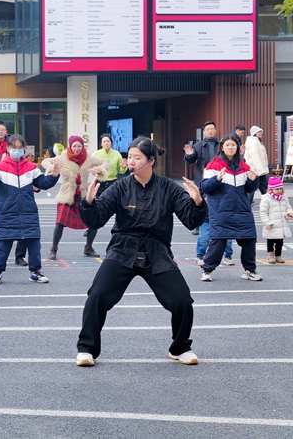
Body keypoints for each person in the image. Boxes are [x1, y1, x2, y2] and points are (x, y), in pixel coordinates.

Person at [76, 137, 207, 367]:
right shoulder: (120, 186)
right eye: (129, 157)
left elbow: (190, 219)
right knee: (97, 295)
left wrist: (197, 203)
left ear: (151, 161)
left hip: (156, 251)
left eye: (137, 157)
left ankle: (180, 347)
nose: (131, 161)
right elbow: (97, 217)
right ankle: (87, 349)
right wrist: (89, 202)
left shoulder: (167, 187)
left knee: (182, 300)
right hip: (122, 248)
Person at [0, 135, 60, 285]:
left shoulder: (31, 168)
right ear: (8, 149)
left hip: (28, 212)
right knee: (2, 243)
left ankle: (35, 272)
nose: (17, 151)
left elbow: (42, 183)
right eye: (14, 148)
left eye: (20, 148)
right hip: (6, 213)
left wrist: (53, 176)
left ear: (24, 149)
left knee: (33, 243)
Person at [200, 134, 262, 282]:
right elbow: (204, 187)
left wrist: (254, 180)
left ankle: (249, 270)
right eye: (227, 145)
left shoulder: (244, 165)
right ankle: (207, 270)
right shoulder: (213, 165)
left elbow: (250, 188)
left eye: (233, 145)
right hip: (221, 210)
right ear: (222, 147)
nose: (230, 147)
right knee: (219, 241)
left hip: (242, 209)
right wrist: (217, 179)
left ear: (238, 147)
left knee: (249, 239)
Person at [41, 135, 109, 260]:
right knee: (59, 222)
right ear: (70, 147)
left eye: (79, 146)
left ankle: (88, 248)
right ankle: (54, 250)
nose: (77, 149)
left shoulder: (88, 158)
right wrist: (53, 168)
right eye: (74, 146)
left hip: (83, 194)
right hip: (67, 194)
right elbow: (45, 162)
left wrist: (98, 169)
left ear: (83, 147)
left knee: (94, 221)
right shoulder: (63, 158)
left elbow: (105, 162)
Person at [184, 121, 220, 235]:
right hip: (202, 177)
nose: (210, 131)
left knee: (217, 200)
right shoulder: (197, 145)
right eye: (207, 129)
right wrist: (189, 154)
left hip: (218, 176)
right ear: (204, 132)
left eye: (212, 129)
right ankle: (198, 225)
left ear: (215, 130)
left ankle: (217, 224)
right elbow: (190, 160)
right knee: (199, 201)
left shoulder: (221, 144)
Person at [260, 176, 293, 264]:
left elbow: (288, 207)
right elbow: (263, 212)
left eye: (280, 188)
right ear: (271, 190)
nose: (279, 191)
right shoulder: (266, 199)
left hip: (281, 225)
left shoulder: (284, 198)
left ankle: (278, 255)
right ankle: (270, 255)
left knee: (280, 241)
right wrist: (267, 222)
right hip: (271, 224)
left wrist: (289, 213)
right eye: (276, 189)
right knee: (270, 241)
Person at [245, 126, 269, 205]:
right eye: (258, 132)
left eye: (261, 131)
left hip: (256, 169)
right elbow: (255, 157)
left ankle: (268, 203)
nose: (260, 133)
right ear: (254, 133)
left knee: (259, 188)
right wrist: (261, 170)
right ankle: (269, 203)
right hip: (256, 170)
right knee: (259, 188)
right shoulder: (253, 142)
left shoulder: (256, 141)